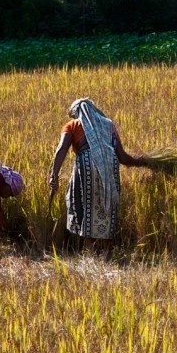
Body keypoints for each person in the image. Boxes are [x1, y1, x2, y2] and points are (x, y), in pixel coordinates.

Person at [49, 98, 146, 253]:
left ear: (77, 113)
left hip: (87, 162)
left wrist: (53, 174)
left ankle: (92, 254)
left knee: (86, 206)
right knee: (108, 204)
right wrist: (143, 161)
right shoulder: (108, 125)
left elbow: (62, 149)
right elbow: (122, 157)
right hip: (110, 163)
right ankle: (107, 253)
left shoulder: (73, 125)